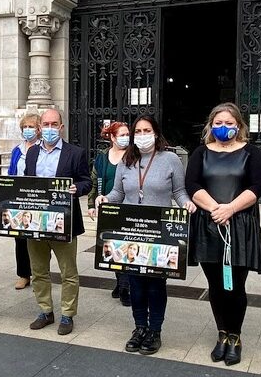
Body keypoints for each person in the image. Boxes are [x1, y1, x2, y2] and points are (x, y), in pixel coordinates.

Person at [97, 115, 195, 354]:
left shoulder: (170, 159)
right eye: (138, 131)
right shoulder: (126, 160)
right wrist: (104, 199)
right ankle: (139, 327)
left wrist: (186, 204)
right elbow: (118, 193)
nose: (142, 135)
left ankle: (155, 330)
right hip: (131, 231)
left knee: (155, 285)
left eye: (146, 130)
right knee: (135, 284)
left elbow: (179, 191)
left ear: (156, 132)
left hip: (158, 232)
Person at [185, 102, 261, 366]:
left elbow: (258, 185)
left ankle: (235, 336)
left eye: (229, 123)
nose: (224, 128)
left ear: (239, 126)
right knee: (216, 285)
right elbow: (192, 183)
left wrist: (230, 209)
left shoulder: (251, 152)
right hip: (208, 225)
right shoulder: (200, 152)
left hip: (239, 225)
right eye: (218, 123)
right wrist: (214, 209)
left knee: (235, 286)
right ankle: (221, 333)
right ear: (211, 125)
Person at [25, 108, 92, 335]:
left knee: (68, 273)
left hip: (64, 221)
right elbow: (26, 184)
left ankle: (67, 314)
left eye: (55, 124)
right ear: (40, 127)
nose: (50, 128)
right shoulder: (32, 153)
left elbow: (86, 182)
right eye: (46, 124)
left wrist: (77, 189)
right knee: (38, 270)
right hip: (36, 222)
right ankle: (45, 310)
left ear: (61, 127)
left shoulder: (76, 153)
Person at [89, 121, 131, 304]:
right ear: (112, 137)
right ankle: (120, 281)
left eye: (127, 134)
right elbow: (94, 180)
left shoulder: (133, 156)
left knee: (127, 245)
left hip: (129, 206)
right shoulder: (102, 157)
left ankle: (125, 287)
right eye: (121, 135)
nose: (125, 138)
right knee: (113, 245)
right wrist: (92, 203)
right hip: (108, 207)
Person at [8, 113, 41, 290]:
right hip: (18, 197)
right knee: (20, 239)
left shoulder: (42, 148)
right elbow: (11, 172)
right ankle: (23, 274)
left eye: (31, 127)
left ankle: (39, 274)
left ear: (38, 129)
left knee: (37, 237)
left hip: (35, 197)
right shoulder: (17, 150)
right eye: (25, 127)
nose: (28, 130)